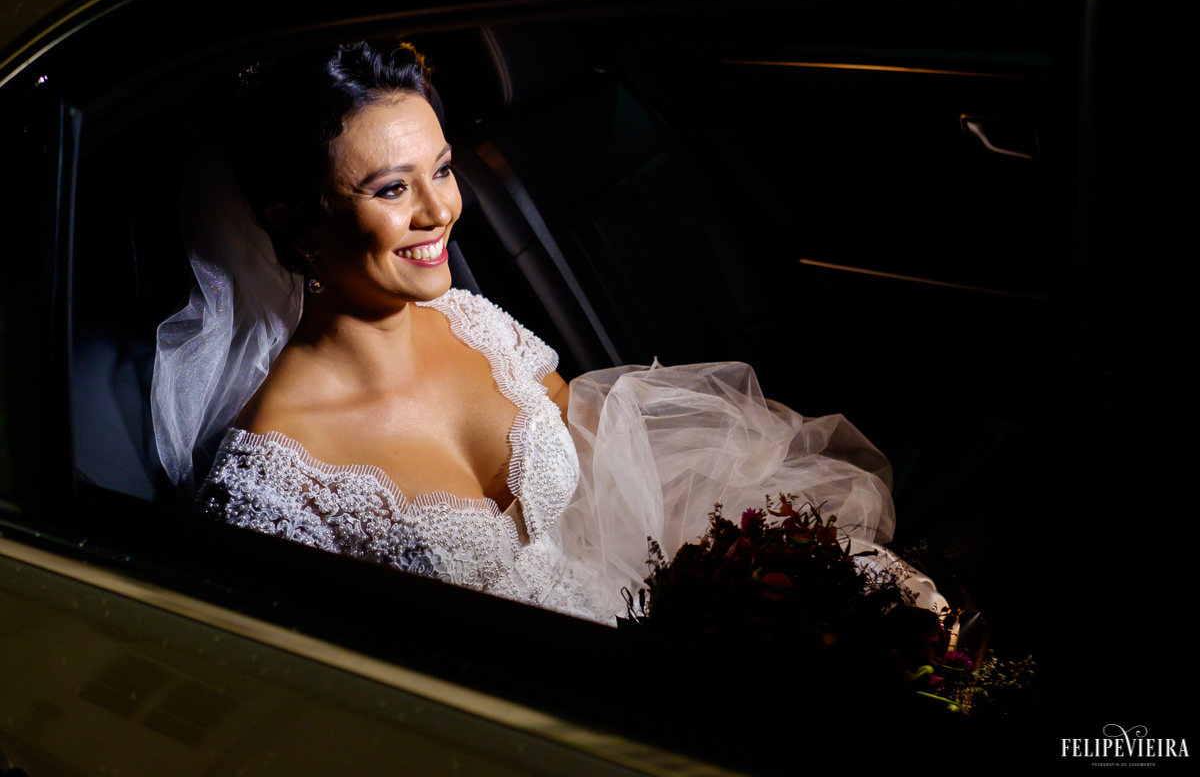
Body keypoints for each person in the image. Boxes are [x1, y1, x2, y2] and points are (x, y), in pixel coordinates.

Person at [152, 40, 941, 626]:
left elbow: (612, 470)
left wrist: (739, 589)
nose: (438, 212)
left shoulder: (473, 324)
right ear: (298, 226)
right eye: (392, 188)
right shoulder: (266, 487)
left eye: (444, 168)